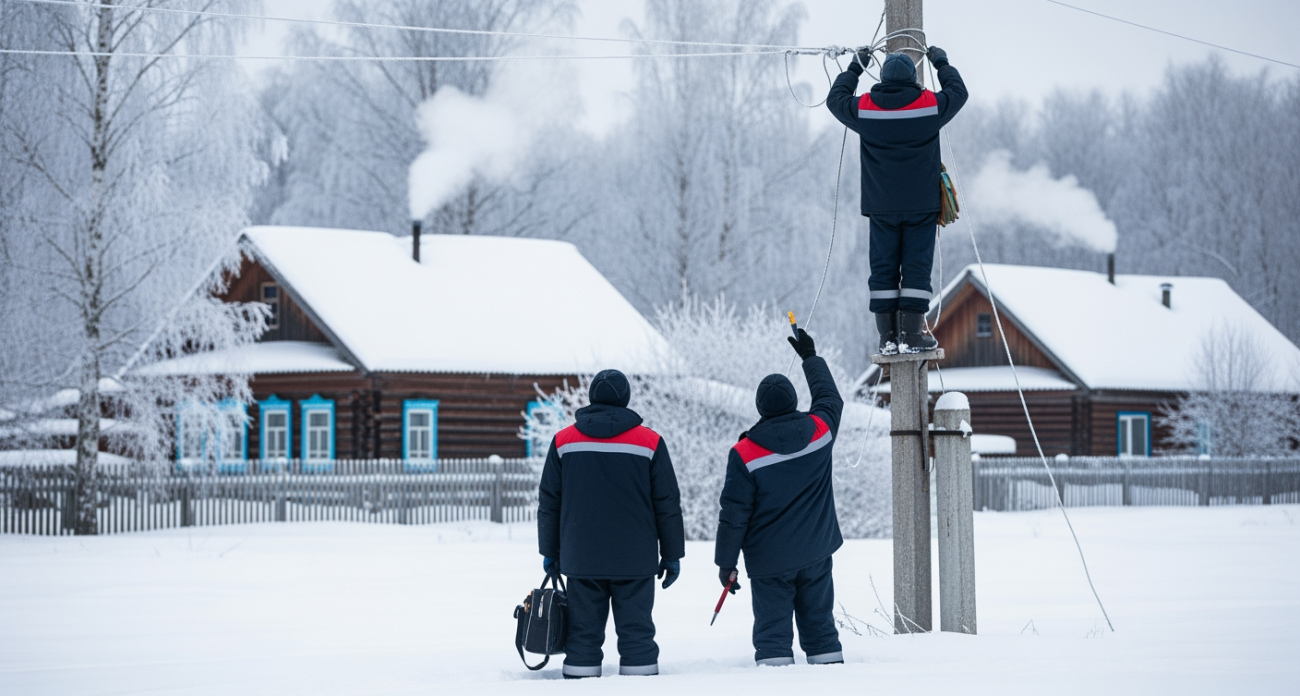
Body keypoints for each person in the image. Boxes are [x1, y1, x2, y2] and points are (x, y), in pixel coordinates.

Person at [537, 369, 685, 679]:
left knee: (582, 634)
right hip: (636, 559)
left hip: (581, 556)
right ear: (626, 399)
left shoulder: (564, 441)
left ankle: (580, 679)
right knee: (637, 633)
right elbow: (667, 503)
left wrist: (549, 552)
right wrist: (671, 555)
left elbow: (549, 502)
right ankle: (641, 680)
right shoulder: (650, 442)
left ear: (591, 398)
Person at [714, 329, 846, 666]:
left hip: (769, 563)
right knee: (821, 629)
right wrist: (810, 357)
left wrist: (726, 564)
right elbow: (830, 398)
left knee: (772, 636)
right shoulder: (820, 432)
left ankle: (775, 684)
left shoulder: (745, 453)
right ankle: (834, 682)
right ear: (793, 402)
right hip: (816, 552)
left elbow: (734, 513)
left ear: (760, 407)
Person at [827, 45, 968, 355]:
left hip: (881, 206)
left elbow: (835, 101)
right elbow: (958, 92)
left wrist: (855, 67)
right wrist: (941, 61)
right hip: (922, 205)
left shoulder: (866, 109)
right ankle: (912, 334)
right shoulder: (928, 106)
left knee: (883, 270)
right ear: (912, 80)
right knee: (916, 268)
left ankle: (888, 337)